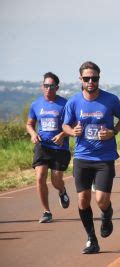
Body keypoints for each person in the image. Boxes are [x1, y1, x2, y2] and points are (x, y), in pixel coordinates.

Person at [62, 61, 120, 254]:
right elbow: (65, 125)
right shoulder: (73, 102)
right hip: (82, 157)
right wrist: (72, 131)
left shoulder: (110, 100)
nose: (91, 81)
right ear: (80, 79)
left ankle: (106, 214)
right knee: (83, 200)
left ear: (99, 78)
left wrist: (113, 132)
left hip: (104, 158)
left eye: (95, 78)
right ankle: (91, 239)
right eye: (87, 78)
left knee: (101, 200)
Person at [26, 72, 71, 223]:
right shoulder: (36, 104)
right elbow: (30, 124)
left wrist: (62, 135)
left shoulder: (65, 104)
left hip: (60, 147)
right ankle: (46, 211)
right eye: (46, 85)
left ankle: (62, 191)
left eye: (52, 86)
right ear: (42, 87)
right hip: (42, 146)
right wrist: (33, 134)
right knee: (40, 177)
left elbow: (73, 126)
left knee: (56, 180)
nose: (48, 88)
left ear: (57, 87)